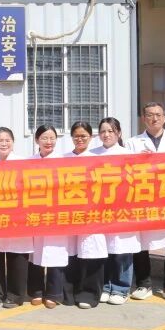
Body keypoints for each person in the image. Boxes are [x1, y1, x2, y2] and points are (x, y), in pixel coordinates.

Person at [124, 102, 165, 305]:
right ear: (143, 118)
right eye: (150, 115)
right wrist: (138, 161)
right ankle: (144, 284)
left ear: (164, 118)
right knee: (141, 243)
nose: (154, 118)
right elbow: (124, 171)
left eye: (158, 115)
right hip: (143, 200)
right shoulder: (132, 143)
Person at [91, 117, 141, 305]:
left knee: (122, 251)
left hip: (122, 210)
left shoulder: (128, 155)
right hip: (100, 210)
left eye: (111, 131)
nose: (106, 135)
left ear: (119, 133)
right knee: (103, 250)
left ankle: (121, 288)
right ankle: (105, 286)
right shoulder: (92, 154)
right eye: (103, 131)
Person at [64, 121, 107, 309]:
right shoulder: (63, 159)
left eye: (84, 136)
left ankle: (89, 293)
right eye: (76, 136)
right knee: (70, 252)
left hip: (91, 212)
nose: (80, 139)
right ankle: (70, 292)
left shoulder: (97, 160)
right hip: (68, 212)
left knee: (91, 251)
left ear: (91, 137)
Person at [0, 127, 33, 308]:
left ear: (13, 143)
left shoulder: (22, 163)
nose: (4, 143)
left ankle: (16, 295)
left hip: (17, 218)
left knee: (17, 256)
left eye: (7, 140)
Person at [28, 125, 69, 309]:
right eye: (44, 138)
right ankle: (36, 291)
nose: (48, 142)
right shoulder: (29, 162)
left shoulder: (63, 161)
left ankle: (54, 292)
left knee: (55, 252)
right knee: (35, 252)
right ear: (37, 140)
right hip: (36, 212)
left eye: (52, 138)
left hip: (56, 213)